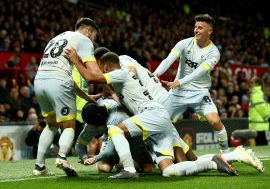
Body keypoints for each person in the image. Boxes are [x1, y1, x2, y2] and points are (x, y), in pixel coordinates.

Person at [66, 50, 238, 179]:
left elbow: (91, 77)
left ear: (105, 66)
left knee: (115, 130)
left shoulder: (121, 73)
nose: (100, 71)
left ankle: (129, 170)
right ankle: (214, 162)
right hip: (157, 116)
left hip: (152, 113)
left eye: (100, 68)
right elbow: (111, 85)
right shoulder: (122, 78)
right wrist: (104, 95)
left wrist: (75, 59)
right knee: (169, 170)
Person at [33, 17, 107, 177]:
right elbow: (95, 73)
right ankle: (61, 157)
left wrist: (86, 96)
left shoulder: (58, 37)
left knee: (51, 125)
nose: (93, 40)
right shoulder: (84, 40)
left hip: (39, 82)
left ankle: (39, 167)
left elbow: (65, 76)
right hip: (59, 82)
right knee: (68, 126)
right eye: (94, 36)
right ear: (88, 31)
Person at [153, 14, 230, 153]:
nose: (196, 30)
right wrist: (155, 74)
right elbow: (168, 60)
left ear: (209, 31)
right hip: (178, 93)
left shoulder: (214, 53)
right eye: (195, 27)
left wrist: (179, 82)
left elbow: (198, 73)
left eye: (200, 28)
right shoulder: (184, 43)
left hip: (199, 92)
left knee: (215, 122)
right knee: (157, 120)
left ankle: (226, 154)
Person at [76, 99, 155, 173]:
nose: (95, 127)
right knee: (105, 168)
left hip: (132, 137)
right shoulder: (91, 124)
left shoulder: (115, 117)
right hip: (110, 139)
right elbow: (79, 145)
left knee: (148, 169)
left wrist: (94, 158)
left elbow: (108, 152)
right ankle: (120, 162)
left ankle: (127, 161)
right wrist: (84, 158)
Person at [248, 77, 270, 145]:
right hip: (258, 125)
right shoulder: (257, 93)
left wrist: (268, 117)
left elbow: (261, 108)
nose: (250, 84)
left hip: (259, 126)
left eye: (252, 82)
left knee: (260, 146)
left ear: (256, 84)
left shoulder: (257, 94)